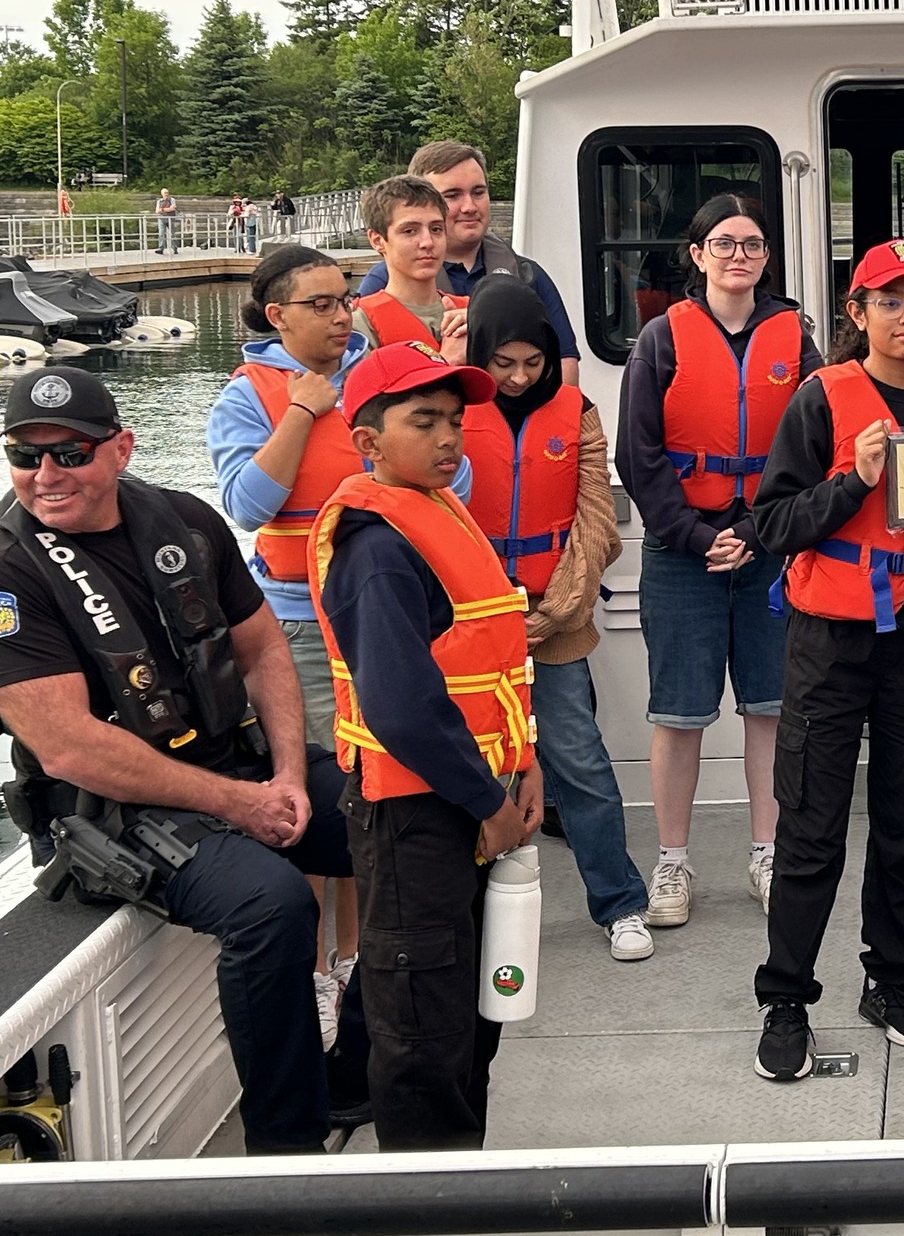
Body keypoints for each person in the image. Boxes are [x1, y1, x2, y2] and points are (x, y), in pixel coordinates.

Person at [0, 367, 365, 1154]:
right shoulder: (11, 569)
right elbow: (65, 743)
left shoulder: (184, 522)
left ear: (122, 449)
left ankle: (359, 1075)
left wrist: (291, 778)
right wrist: (241, 805)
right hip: (114, 812)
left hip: (237, 765)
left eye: (71, 451)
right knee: (273, 907)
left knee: (413, 820)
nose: (46, 474)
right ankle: (286, 1152)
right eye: (25, 456)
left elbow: (264, 647)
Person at [748, 239, 904, 1080]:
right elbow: (771, 524)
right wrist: (852, 481)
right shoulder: (824, 398)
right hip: (832, 639)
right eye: (891, 301)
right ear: (858, 314)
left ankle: (890, 981)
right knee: (810, 827)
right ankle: (785, 999)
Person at [310, 343, 542, 1152]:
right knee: (422, 1033)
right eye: (424, 422)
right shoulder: (377, 550)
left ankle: (462, 1178)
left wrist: (525, 763)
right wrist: (488, 804)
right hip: (414, 820)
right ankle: (427, 1194)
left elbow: (493, 669)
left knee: (471, 1016)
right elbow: (403, 707)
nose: (449, 438)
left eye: (454, 421)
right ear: (367, 442)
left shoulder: (440, 511)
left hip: (475, 798)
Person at [211, 247, 436, 1044]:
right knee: (319, 792)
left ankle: (355, 959)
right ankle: (314, 968)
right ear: (278, 315)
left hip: (382, 609)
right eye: (323, 305)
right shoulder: (249, 397)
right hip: (301, 623)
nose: (345, 316)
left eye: (346, 302)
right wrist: (304, 412)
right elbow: (246, 502)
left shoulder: (379, 379)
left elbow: (453, 483)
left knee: (377, 781)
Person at [618, 193, 823, 928]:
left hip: (769, 547)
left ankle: (767, 853)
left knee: (770, 709)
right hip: (684, 552)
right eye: (726, 243)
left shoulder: (793, 339)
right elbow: (637, 456)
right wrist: (698, 536)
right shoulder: (659, 341)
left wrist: (762, 529)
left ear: (767, 258)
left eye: (754, 244)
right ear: (698, 255)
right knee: (679, 715)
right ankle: (672, 861)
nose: (740, 255)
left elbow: (816, 442)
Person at [462, 275, 650, 963]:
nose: (516, 378)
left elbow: (596, 522)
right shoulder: (448, 412)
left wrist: (553, 612)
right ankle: (469, 910)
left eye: (531, 363)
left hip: (557, 619)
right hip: (470, 624)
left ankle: (620, 903)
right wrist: (490, 617)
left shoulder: (578, 413)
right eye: (501, 364)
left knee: (581, 763)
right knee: (471, 767)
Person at [357, 141, 582, 387]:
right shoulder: (376, 291)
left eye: (478, 192)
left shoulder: (527, 275)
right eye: (452, 195)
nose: (470, 207)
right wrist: (447, 360)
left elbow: (563, 358)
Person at [353, 177, 469, 359]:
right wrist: (448, 362)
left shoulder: (471, 311)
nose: (428, 242)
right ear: (378, 241)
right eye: (410, 231)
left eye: (436, 229)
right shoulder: (361, 325)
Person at [153, 188, 178, 255]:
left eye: (167, 193)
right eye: (165, 193)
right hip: (161, 219)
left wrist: (162, 209)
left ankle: (175, 248)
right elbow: (157, 211)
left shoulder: (172, 200)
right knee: (161, 234)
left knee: (173, 234)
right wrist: (167, 209)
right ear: (162, 194)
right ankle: (161, 248)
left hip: (171, 218)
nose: (166, 194)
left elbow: (173, 208)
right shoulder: (159, 201)